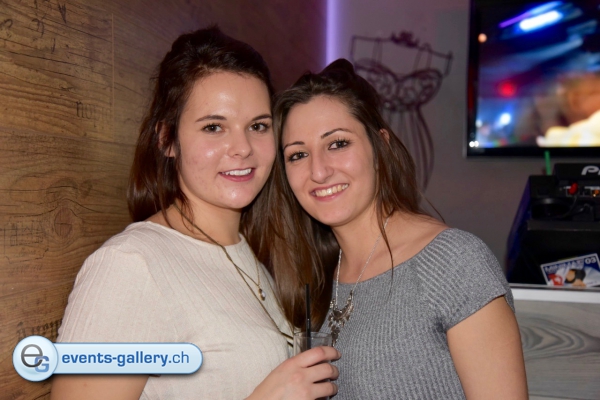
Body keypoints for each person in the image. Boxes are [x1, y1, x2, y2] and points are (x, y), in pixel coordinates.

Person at [51, 27, 339, 400]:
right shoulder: (130, 265)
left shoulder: (249, 251)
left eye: (258, 126)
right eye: (214, 127)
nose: (242, 148)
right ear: (167, 140)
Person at [253, 59, 528, 399]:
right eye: (298, 155)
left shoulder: (454, 262)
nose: (319, 171)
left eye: (337, 144)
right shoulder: (316, 273)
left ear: (380, 146)